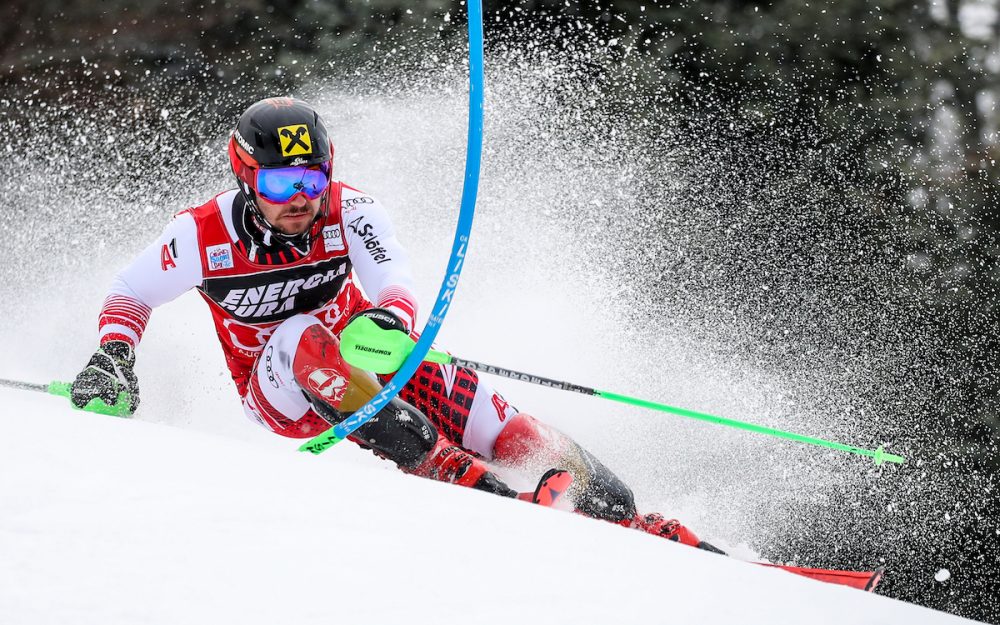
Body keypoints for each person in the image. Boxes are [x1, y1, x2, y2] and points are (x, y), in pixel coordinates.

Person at [71, 96, 721, 552]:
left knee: (508, 426)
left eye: (311, 180)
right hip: (281, 389)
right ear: (245, 177)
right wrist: (114, 355)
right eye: (278, 185)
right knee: (301, 336)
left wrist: (390, 318)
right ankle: (458, 477)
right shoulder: (200, 235)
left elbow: (395, 279)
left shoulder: (350, 209)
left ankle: (631, 516)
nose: (299, 201)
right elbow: (131, 291)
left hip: (368, 348)